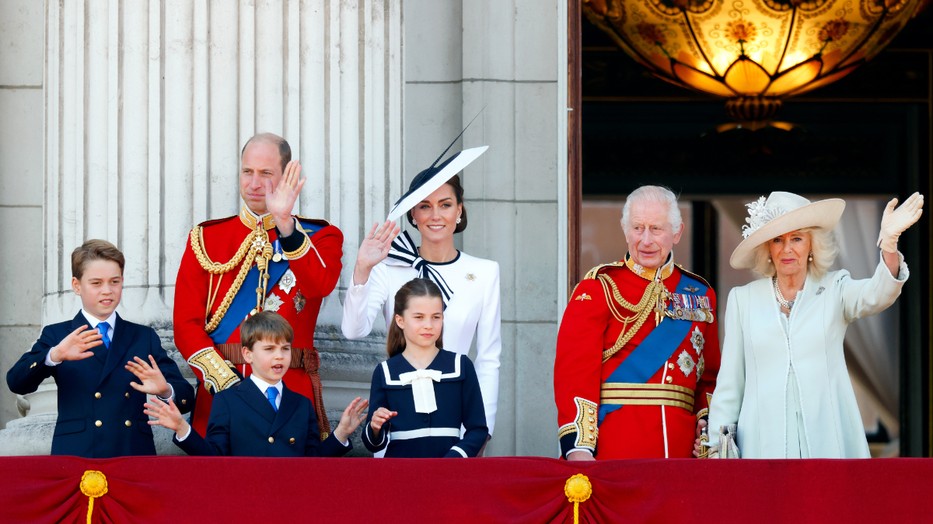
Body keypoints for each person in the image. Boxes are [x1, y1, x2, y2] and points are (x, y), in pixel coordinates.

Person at [704, 191, 924, 458]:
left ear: (811, 245)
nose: (787, 249)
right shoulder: (744, 299)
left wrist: (889, 245)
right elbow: (730, 383)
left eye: (797, 238)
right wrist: (717, 447)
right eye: (777, 240)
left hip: (827, 443)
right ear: (767, 249)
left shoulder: (835, 288)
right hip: (761, 447)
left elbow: (877, 294)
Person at [173, 133, 343, 438]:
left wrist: (286, 226)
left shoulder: (320, 237)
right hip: (221, 394)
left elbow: (319, 285)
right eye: (247, 172)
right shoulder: (206, 238)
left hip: (289, 393)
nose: (254, 184)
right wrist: (227, 386)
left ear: (287, 178)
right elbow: (186, 324)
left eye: (266, 174)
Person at [553, 185, 720, 460]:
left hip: (681, 451)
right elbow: (574, 374)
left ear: (676, 233)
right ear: (624, 229)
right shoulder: (599, 287)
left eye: (656, 229)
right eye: (637, 228)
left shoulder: (700, 294)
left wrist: (707, 428)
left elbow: (710, 377)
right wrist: (579, 447)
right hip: (615, 447)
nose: (645, 240)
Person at [342, 167, 501, 441]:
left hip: (457, 421)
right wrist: (362, 269)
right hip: (397, 415)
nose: (435, 215)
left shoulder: (485, 272)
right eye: (424, 206)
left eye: (446, 205)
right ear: (413, 214)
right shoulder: (387, 268)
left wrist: (480, 433)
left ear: (459, 210)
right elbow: (353, 331)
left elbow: (488, 359)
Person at [6, 240, 194, 458]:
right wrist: (54, 355)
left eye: (114, 281)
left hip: (131, 452)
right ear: (77, 285)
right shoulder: (58, 335)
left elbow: (186, 399)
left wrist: (165, 390)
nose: (107, 291)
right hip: (77, 454)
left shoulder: (143, 337)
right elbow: (16, 381)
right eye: (96, 283)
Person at [145, 311, 368, 457]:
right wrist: (183, 429)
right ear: (248, 354)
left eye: (285, 349)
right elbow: (214, 458)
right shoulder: (228, 400)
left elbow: (312, 462)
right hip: (244, 503)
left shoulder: (301, 404)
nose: (279, 357)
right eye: (269, 350)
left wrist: (341, 433)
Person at [364, 278, 488, 457]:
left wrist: (454, 459)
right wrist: (375, 427)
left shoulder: (461, 366)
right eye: (419, 317)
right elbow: (373, 444)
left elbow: (478, 429)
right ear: (400, 320)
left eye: (436, 317)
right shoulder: (385, 371)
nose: (428, 325)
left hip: (450, 474)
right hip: (401, 474)